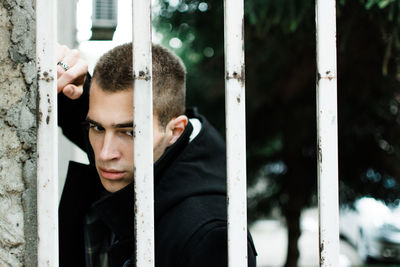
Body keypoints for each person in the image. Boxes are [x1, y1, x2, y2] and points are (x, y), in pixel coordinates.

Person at [57, 43, 257, 267]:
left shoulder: (211, 236)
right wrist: (58, 72)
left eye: (130, 132)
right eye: (97, 128)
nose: (104, 154)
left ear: (175, 131)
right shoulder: (148, 149)